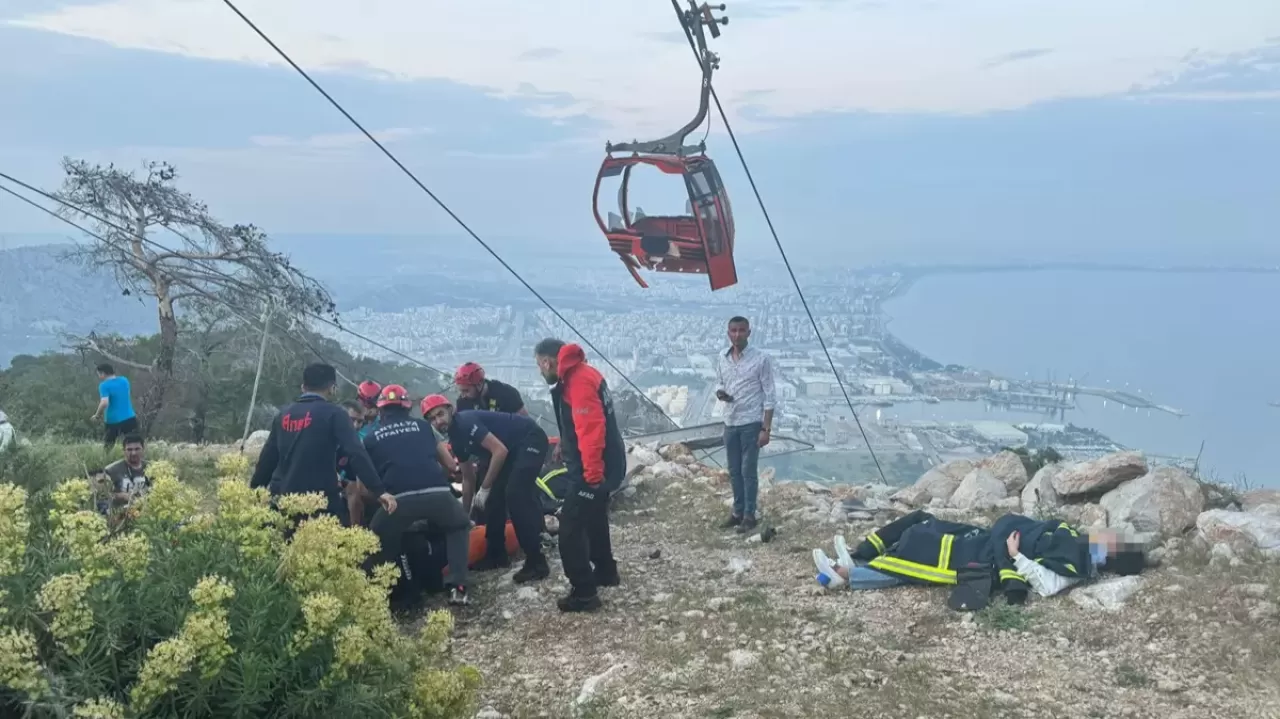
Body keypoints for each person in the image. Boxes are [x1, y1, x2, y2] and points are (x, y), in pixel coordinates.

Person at [811, 510, 1147, 606]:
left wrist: (1015, 555)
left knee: (923, 559)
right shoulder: (1073, 538)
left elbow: (1046, 585)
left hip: (991, 557)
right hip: (990, 540)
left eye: (1114, 542)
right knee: (922, 523)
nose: (1108, 536)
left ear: (1111, 555)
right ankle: (860, 555)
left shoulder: (1078, 566)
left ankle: (847, 575)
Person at [534, 338, 625, 613]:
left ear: (548, 362)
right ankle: (606, 571)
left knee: (571, 528)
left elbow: (592, 430)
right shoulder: (581, 373)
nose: (539, 371)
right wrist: (565, 440)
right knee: (595, 515)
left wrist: (592, 476)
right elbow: (578, 421)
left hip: (592, 465)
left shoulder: (578, 381)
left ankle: (584, 592)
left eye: (539, 365)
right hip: (601, 461)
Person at [422, 395, 551, 584]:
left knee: (515, 494)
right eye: (432, 419)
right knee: (493, 499)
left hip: (529, 438)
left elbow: (499, 451)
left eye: (440, 414)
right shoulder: (456, 439)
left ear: (450, 410)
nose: (438, 421)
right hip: (512, 449)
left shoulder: (465, 422)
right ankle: (496, 554)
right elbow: (467, 478)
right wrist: (464, 516)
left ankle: (536, 561)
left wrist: (484, 487)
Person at [363, 384, 472, 607]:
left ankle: (379, 597)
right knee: (459, 525)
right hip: (438, 494)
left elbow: (365, 484)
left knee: (374, 540)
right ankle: (458, 587)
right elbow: (451, 465)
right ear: (407, 407)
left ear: (381, 410)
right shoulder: (423, 427)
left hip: (397, 500)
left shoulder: (371, 438)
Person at [250, 363, 397, 522]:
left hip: (284, 500)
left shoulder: (283, 415)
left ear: (303, 387)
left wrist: (254, 491)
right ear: (332, 388)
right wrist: (379, 490)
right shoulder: (335, 414)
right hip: (321, 502)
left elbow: (268, 459)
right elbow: (356, 452)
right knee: (337, 544)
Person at [714, 316, 777, 534]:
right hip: (730, 421)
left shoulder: (761, 359)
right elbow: (720, 381)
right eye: (733, 330)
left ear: (749, 332)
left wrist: (766, 429)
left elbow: (770, 395)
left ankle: (750, 514)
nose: (737, 334)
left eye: (742, 330)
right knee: (734, 471)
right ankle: (737, 511)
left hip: (751, 422)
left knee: (748, 471)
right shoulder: (722, 357)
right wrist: (721, 393)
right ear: (728, 332)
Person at [92, 363, 139, 449]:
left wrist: (97, 415)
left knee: (108, 447)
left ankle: (107, 461)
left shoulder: (104, 385)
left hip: (113, 420)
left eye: (99, 374)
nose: (99, 376)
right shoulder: (124, 380)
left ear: (103, 373)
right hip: (129, 417)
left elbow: (104, 403)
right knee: (133, 444)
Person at [454, 362, 528, 415]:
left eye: (466, 391)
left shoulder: (506, 393)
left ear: (479, 384)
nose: (463, 395)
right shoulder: (462, 403)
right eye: (460, 391)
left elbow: (525, 422)